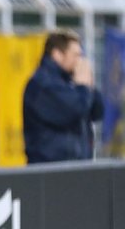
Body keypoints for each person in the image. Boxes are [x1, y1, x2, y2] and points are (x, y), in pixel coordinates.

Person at [23, 28, 104, 163]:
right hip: (50, 168)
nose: (79, 61)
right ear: (57, 54)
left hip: (76, 165)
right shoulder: (42, 84)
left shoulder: (72, 82)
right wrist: (83, 87)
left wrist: (90, 85)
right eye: (75, 55)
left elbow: (97, 112)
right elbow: (74, 110)